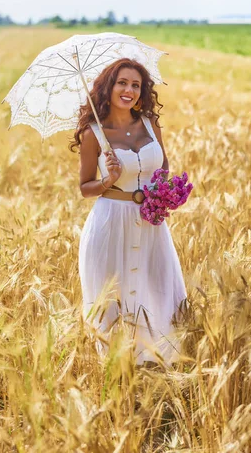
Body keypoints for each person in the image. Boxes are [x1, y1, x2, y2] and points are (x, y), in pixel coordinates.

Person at [70, 58, 187, 365]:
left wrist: (165, 194)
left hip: (150, 222)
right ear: (109, 86)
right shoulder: (93, 133)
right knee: (113, 301)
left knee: (157, 291)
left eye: (136, 85)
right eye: (122, 82)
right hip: (111, 222)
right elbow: (84, 187)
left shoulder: (150, 124)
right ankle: (116, 375)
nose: (129, 90)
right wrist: (108, 179)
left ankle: (156, 368)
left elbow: (162, 167)